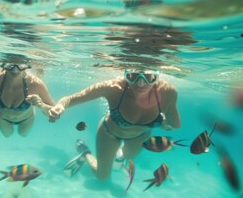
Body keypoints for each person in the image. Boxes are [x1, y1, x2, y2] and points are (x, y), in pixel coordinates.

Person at [48, 69, 181, 180]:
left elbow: (174, 124)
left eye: (149, 77)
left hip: (139, 138)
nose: (140, 83)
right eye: (133, 76)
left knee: (128, 157)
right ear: (126, 73)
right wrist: (60, 106)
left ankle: (118, 156)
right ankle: (86, 153)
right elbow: (71, 98)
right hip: (109, 133)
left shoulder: (167, 92)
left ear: (156, 76)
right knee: (102, 177)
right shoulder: (113, 88)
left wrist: (164, 123)